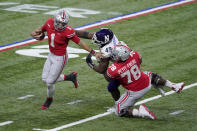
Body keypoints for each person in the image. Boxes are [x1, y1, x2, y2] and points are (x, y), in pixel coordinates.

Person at [90, 44, 185, 119]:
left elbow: (108, 78)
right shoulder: (134, 55)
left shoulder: (114, 69)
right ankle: (173, 86)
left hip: (135, 92)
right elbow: (140, 61)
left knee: (118, 110)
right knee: (152, 75)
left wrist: (99, 65)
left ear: (120, 57)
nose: (114, 55)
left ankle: (140, 112)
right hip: (146, 82)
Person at [30, 9, 100, 110]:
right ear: (54, 20)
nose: (60, 25)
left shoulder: (68, 31)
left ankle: (49, 99)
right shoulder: (49, 22)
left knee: (49, 82)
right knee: (44, 79)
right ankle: (70, 77)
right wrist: (35, 33)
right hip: (51, 55)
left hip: (60, 58)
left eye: (63, 23)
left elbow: (80, 42)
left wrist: (94, 52)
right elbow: (41, 29)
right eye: (58, 22)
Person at [78, 28, 123, 101]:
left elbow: (101, 70)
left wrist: (90, 63)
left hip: (123, 65)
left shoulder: (106, 50)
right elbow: (86, 34)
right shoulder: (110, 36)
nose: (95, 40)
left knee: (109, 79)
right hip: (131, 58)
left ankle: (120, 104)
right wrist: (71, 31)